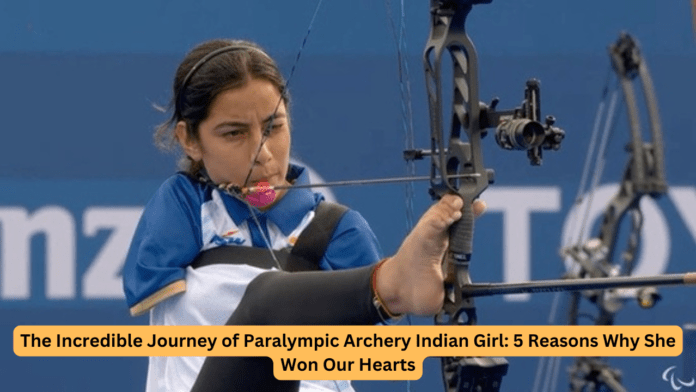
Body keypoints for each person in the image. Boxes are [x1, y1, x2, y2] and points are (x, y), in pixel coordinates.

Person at [122, 38, 485, 392]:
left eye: (273, 128)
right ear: (190, 140)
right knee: (265, 301)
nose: (261, 154)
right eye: (234, 133)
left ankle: (396, 283)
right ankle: (394, 282)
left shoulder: (338, 229)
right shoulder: (183, 207)